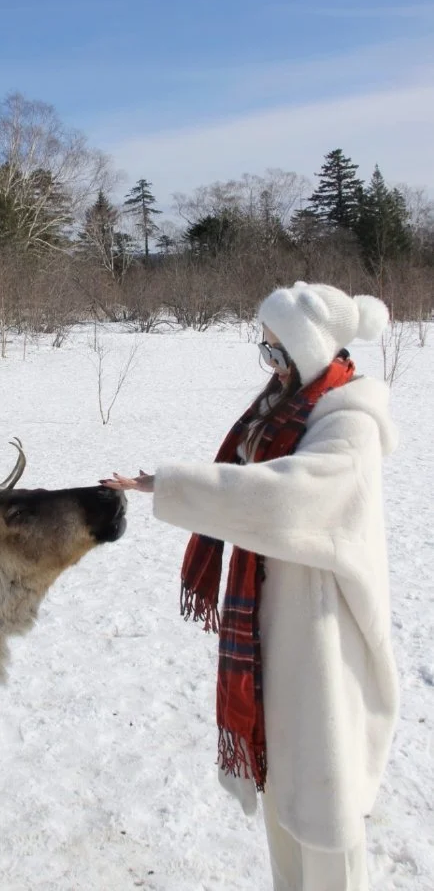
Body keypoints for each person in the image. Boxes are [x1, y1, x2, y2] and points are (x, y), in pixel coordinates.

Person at [102, 281, 399, 891]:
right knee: (284, 791)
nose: (267, 363)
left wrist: (172, 486)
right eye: (263, 349)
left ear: (305, 350)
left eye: (274, 350)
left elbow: (286, 498)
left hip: (321, 633)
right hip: (275, 622)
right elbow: (253, 477)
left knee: (325, 803)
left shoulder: (350, 424)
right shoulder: (288, 406)